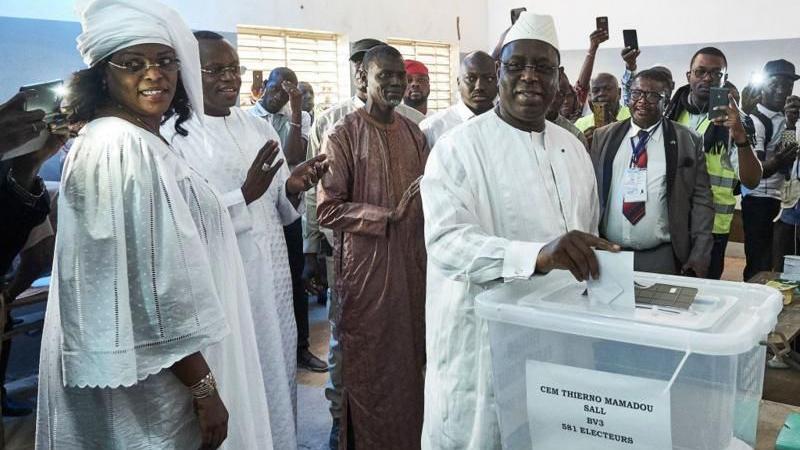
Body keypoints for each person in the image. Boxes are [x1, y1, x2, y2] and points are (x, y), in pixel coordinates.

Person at [34, 1, 272, 448]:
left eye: (165, 62)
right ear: (104, 74)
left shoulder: (142, 138)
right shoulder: (116, 145)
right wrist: (202, 387)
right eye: (133, 63)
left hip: (171, 363)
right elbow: (147, 281)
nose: (154, 74)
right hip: (151, 379)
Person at [421, 12, 617, 449]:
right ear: (499, 74)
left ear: (558, 79)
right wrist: (537, 255)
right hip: (483, 340)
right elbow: (448, 244)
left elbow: (586, 232)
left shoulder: (573, 149)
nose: (530, 77)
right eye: (517, 66)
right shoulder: (458, 149)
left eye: (543, 68)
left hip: (560, 340)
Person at [165, 30, 327, 450]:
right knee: (235, 381)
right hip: (223, 285)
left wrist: (291, 186)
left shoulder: (259, 129)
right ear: (186, 73)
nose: (229, 78)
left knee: (275, 374)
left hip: (270, 282)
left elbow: (277, 207)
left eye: (233, 69)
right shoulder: (172, 137)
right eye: (215, 69)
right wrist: (242, 196)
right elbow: (173, 221)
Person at [303, 37, 427, 449]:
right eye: (384, 75)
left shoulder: (413, 133)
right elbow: (328, 210)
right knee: (367, 364)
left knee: (408, 361)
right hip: (365, 271)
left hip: (412, 266)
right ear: (364, 77)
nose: (395, 83)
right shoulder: (343, 133)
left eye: (400, 76)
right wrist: (381, 216)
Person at [591, 70, 714, 275]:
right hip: (610, 252)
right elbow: (590, 193)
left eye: (653, 95)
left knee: (658, 308)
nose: (642, 101)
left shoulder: (687, 140)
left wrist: (701, 251)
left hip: (661, 256)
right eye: (636, 93)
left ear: (666, 100)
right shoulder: (603, 137)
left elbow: (702, 200)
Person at [251, 66, 328, 372]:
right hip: (259, 209)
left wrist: (295, 110)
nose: (282, 94)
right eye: (278, 87)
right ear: (264, 87)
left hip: (290, 204)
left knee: (295, 279)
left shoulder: (298, 117)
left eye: (290, 90)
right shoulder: (249, 120)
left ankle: (301, 348)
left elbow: (293, 155)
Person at [664, 47, 761, 279]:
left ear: (724, 78)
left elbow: (752, 180)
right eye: (701, 71)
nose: (707, 78)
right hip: (670, 219)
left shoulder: (739, 121)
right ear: (689, 76)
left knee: (700, 299)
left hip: (713, 226)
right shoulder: (670, 113)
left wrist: (739, 135)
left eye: (716, 74)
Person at [741, 59, 800, 280]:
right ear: (764, 85)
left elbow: (788, 157)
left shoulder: (784, 119)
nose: (781, 90)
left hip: (779, 198)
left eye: (787, 85)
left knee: (777, 261)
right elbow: (756, 172)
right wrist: (778, 159)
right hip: (758, 200)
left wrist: (792, 123)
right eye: (775, 84)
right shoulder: (755, 120)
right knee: (759, 262)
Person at [420, 51, 497, 148]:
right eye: (471, 78)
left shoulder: (508, 125)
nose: (479, 86)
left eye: (489, 78)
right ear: (458, 83)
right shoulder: (432, 128)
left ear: (498, 82)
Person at [773, 96, 800, 271]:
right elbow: (787, 160)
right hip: (792, 205)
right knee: (785, 262)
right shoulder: (790, 127)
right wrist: (790, 123)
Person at [547, 69, 588, 148]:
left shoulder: (575, 136)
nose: (555, 98)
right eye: (551, 90)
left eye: (562, 93)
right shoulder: (520, 127)